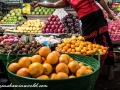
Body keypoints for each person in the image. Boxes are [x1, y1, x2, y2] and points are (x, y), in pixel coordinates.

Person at [31, 0, 115, 80]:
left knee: (105, 41)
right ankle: (95, 69)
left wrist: (108, 12)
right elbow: (54, 5)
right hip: (85, 21)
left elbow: (100, 0)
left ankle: (110, 69)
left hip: (96, 17)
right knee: (89, 46)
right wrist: (39, 3)